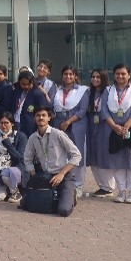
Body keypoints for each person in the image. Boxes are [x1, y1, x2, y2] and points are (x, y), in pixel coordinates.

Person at [99, 63, 131, 204]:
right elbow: (104, 110)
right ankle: (121, 191)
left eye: (123, 74)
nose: (120, 76)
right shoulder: (108, 90)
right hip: (113, 130)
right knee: (117, 161)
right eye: (117, 74)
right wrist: (115, 126)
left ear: (129, 75)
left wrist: (126, 126)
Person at [22, 107, 82, 217]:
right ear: (34, 119)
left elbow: (76, 155)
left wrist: (62, 174)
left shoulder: (58, 134)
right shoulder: (33, 138)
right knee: (27, 204)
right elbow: (27, 158)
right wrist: (34, 175)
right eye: (38, 115)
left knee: (64, 211)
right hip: (46, 176)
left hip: (63, 175)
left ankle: (71, 194)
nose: (40, 118)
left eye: (43, 115)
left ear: (49, 118)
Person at [51, 65, 89, 198]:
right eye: (65, 74)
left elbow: (82, 110)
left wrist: (68, 122)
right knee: (61, 153)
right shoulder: (58, 90)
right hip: (59, 124)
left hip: (76, 125)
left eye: (70, 74)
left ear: (75, 76)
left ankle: (78, 185)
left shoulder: (82, 91)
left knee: (77, 153)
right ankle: (65, 183)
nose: (68, 76)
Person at [85, 69, 115, 197]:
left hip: (104, 125)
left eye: (98, 77)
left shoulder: (109, 92)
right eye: (93, 77)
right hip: (91, 125)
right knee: (93, 155)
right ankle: (102, 186)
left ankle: (108, 187)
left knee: (103, 155)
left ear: (103, 78)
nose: (95, 79)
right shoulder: (89, 92)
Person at [12, 71, 48, 137]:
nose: (26, 86)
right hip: (15, 123)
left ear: (32, 82)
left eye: (28, 84)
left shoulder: (37, 94)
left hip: (30, 127)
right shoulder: (16, 91)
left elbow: (43, 111)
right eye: (23, 84)